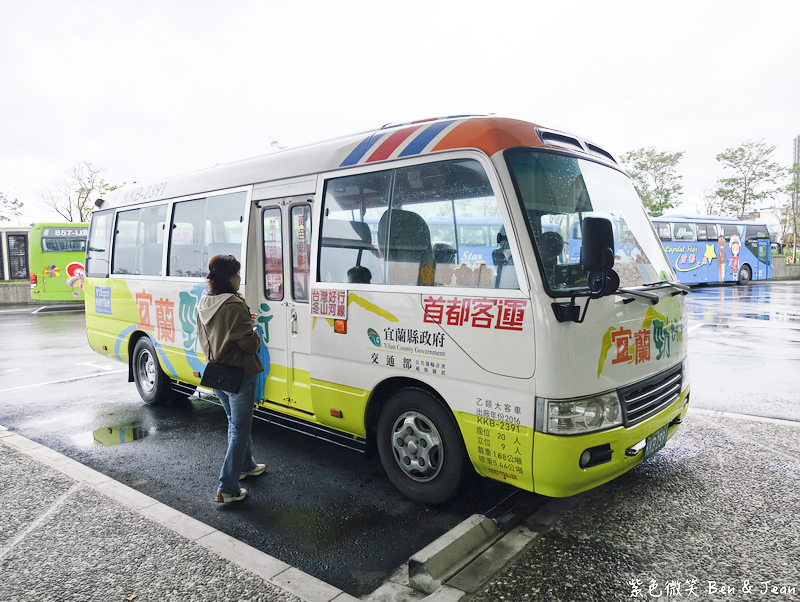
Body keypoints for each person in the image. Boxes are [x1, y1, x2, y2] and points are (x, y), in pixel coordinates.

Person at [197, 254, 266, 503]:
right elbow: (248, 344)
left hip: (217, 372)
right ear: (229, 277)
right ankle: (227, 487)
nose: (240, 278)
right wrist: (255, 331)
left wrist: (244, 324)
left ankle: (246, 465)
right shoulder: (234, 304)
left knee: (234, 422)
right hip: (239, 373)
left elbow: (218, 332)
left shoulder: (206, 301)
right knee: (239, 428)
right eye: (237, 274)